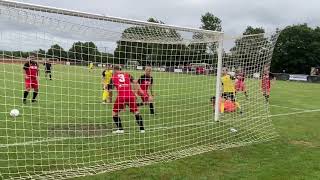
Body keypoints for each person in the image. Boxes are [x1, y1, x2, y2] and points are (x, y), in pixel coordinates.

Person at [108, 65, 145, 133]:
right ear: (120, 69)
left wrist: (110, 99)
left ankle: (120, 129)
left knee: (114, 113)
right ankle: (142, 129)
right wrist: (137, 92)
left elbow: (110, 90)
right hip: (130, 96)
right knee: (136, 112)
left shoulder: (113, 77)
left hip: (121, 97)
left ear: (114, 70)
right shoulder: (127, 74)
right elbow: (135, 82)